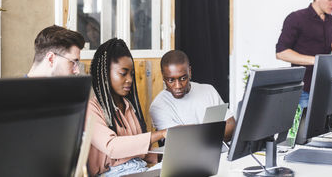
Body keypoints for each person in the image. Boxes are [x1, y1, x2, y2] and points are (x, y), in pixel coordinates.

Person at [87, 38, 167, 177]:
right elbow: (112, 147)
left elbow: (139, 152)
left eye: (131, 74)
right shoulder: (91, 110)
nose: (129, 79)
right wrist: (160, 134)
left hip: (139, 170)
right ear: (105, 74)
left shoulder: (129, 106)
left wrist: (170, 156)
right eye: (123, 73)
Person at [276, 0, 332, 108]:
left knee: (325, 128)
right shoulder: (296, 18)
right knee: (303, 128)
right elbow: (281, 53)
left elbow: (327, 56)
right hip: (303, 90)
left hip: (326, 87)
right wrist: (316, 60)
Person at [149, 50, 236, 142]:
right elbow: (179, 140)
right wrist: (214, 131)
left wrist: (196, 133)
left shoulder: (208, 90)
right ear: (163, 76)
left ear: (189, 72)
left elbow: (231, 125)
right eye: (171, 80)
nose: (178, 86)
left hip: (221, 153)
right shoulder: (158, 106)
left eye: (183, 78)